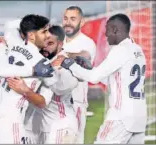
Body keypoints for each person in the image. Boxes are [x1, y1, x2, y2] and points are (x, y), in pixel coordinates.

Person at [53, 13, 147, 144]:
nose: (106, 34)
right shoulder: (137, 50)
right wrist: (89, 69)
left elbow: (94, 78)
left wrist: (69, 64)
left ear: (115, 29)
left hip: (120, 118)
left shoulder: (120, 50)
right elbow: (114, 80)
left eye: (107, 29)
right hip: (139, 117)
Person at [0, 14, 56, 144]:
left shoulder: (9, 44)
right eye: (44, 31)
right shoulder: (41, 62)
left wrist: (29, 23)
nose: (48, 35)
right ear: (31, 35)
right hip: (9, 119)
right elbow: (53, 82)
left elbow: (9, 25)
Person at [7, 25, 84, 144]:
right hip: (43, 126)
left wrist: (25, 90)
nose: (45, 47)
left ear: (60, 44)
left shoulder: (62, 67)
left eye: (50, 43)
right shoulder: (42, 61)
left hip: (61, 125)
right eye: (44, 42)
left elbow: (43, 101)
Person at [61, 6, 96, 144]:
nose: (68, 22)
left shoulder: (87, 43)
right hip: (54, 103)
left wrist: (60, 55)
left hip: (76, 102)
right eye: (65, 18)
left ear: (82, 22)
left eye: (73, 19)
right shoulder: (57, 40)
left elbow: (84, 56)